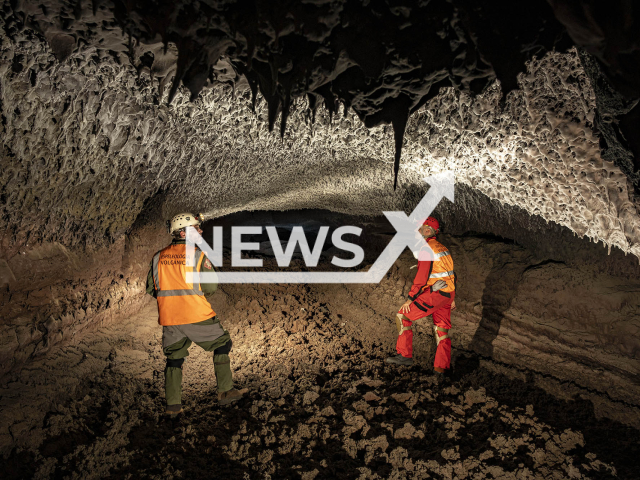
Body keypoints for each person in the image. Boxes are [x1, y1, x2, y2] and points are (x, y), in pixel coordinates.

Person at [146, 212, 245, 416]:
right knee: (222, 344)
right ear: (184, 232)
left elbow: (151, 289)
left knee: (174, 359)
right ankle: (225, 391)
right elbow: (210, 287)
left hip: (170, 318)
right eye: (196, 228)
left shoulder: (158, 257)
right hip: (196, 314)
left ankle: (173, 406)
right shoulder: (199, 256)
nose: (200, 231)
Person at [385, 216, 456, 376]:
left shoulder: (427, 249)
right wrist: (453, 297)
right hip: (447, 294)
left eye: (419, 229)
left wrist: (410, 299)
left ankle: (404, 356)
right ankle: (441, 368)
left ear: (426, 230)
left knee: (402, 316)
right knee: (441, 331)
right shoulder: (442, 248)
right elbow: (451, 274)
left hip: (436, 294)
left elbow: (421, 277)